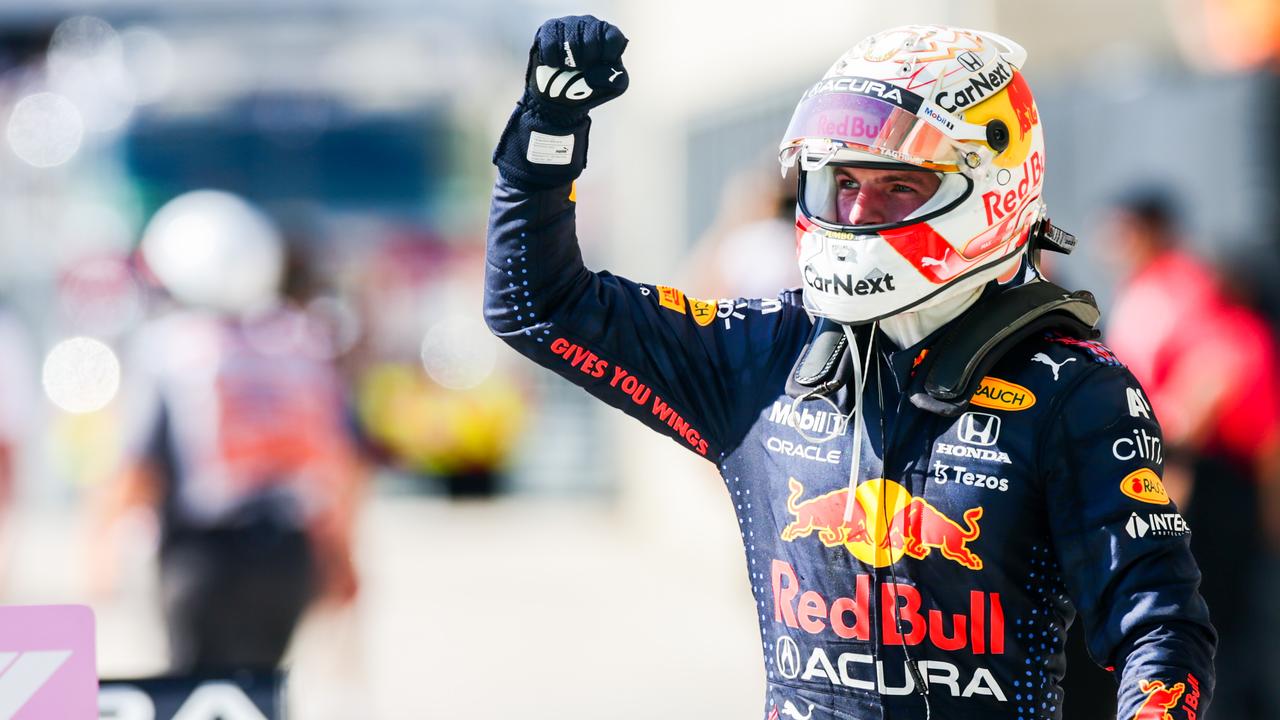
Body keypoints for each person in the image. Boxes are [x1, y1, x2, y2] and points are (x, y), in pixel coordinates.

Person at [486, 18, 1215, 719]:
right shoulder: (769, 350)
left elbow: (1160, 633)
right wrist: (545, 136)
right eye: (842, 181)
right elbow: (536, 307)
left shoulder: (1073, 389)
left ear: (993, 189)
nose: (858, 210)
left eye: (899, 185)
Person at [97, 190, 364, 672]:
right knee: (262, 688)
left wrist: (99, 553)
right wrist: (342, 559)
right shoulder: (301, 343)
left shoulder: (171, 349)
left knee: (198, 690)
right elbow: (339, 464)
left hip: (202, 557)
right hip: (288, 555)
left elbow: (140, 466)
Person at [1104, 189, 1280, 719]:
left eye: (1124, 230)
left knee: (1210, 617)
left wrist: (1174, 451)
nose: (1113, 243)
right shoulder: (1144, 287)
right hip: (1165, 469)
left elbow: (1224, 360)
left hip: (1207, 476)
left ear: (1149, 229)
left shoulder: (1181, 286)